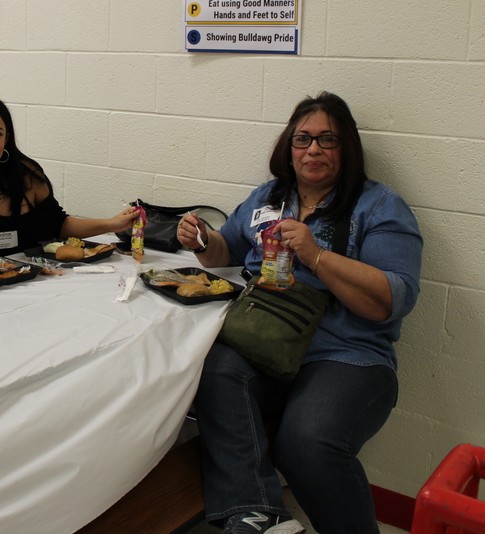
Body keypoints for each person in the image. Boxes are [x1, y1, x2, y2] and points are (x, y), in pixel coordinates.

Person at [178, 92, 423, 534]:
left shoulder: (379, 206)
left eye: (327, 140)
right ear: (287, 148)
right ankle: (256, 515)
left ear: (347, 148)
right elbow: (225, 251)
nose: (313, 150)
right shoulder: (268, 197)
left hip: (347, 356)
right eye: (303, 139)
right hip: (264, 342)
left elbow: (392, 300)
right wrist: (200, 240)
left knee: (305, 442)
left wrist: (315, 255)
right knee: (213, 369)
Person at [0, 93, 139, 267]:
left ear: (6, 139)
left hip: (44, 281)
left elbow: (59, 225)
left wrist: (112, 223)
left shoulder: (27, 177)